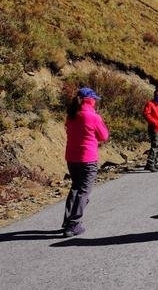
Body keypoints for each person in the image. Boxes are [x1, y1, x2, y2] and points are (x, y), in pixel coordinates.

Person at [62, 87, 109, 237]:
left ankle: (68, 220)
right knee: (84, 191)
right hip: (88, 158)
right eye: (94, 99)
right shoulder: (93, 116)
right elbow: (104, 136)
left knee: (75, 188)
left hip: (71, 157)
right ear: (90, 100)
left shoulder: (71, 115)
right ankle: (74, 224)